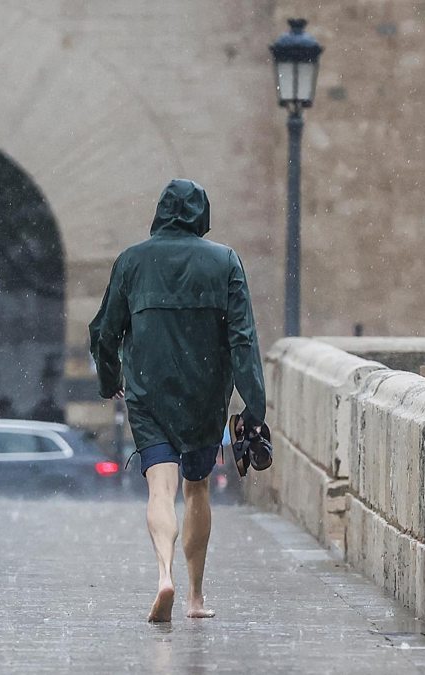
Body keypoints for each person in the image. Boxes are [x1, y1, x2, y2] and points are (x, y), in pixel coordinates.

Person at [89, 179, 266, 623]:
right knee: (197, 486)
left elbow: (105, 332)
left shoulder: (132, 261)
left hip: (149, 390)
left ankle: (163, 574)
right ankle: (195, 597)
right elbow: (242, 340)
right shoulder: (225, 261)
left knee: (160, 488)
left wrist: (110, 377)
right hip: (206, 394)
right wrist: (255, 406)